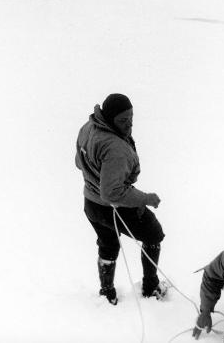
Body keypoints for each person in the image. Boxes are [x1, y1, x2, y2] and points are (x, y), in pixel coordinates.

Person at [75, 93, 165, 305]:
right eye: (123, 120)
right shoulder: (116, 148)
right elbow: (112, 193)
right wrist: (145, 198)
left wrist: (98, 176)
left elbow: (79, 163)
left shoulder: (88, 128)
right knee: (153, 234)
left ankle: (107, 293)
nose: (129, 124)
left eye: (131, 118)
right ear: (110, 118)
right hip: (112, 207)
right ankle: (151, 287)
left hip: (91, 204)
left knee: (108, 244)